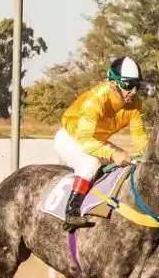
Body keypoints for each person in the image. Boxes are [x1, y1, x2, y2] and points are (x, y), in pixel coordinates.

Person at [53, 56, 148, 231]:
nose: (133, 91)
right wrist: (112, 153)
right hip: (70, 139)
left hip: (95, 141)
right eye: (128, 85)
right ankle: (71, 213)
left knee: (129, 161)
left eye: (137, 85)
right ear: (113, 83)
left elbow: (139, 137)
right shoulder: (95, 101)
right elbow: (85, 141)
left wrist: (149, 154)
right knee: (90, 163)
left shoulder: (135, 104)